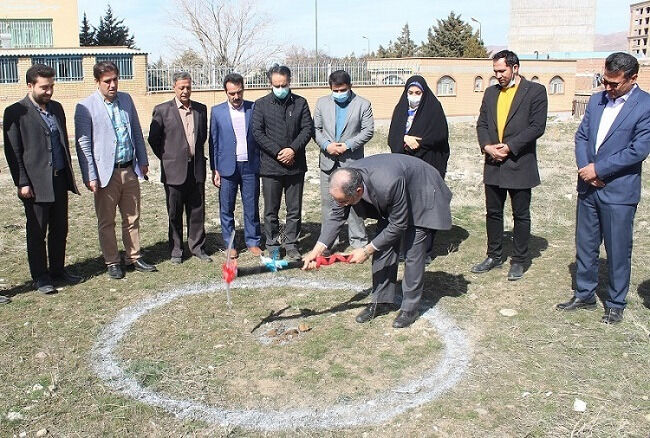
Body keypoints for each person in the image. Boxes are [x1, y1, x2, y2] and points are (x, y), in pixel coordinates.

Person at [302, 154, 452, 329]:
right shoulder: (343, 184)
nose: (339, 204)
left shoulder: (388, 183)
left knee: (413, 250)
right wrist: (317, 250)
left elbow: (398, 224)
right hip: (394, 197)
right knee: (382, 246)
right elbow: (336, 217)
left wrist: (366, 250)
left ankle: (410, 309)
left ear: (358, 191)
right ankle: (381, 302)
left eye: (343, 201)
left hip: (422, 191)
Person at [556, 52, 650, 324]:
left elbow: (638, 150)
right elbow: (582, 136)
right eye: (604, 81)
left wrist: (600, 169)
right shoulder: (597, 101)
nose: (607, 88)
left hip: (618, 191)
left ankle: (615, 302)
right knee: (585, 245)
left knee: (618, 249)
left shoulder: (645, 106)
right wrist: (586, 169)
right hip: (588, 188)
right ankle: (584, 294)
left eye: (613, 83)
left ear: (633, 78)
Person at [3, 63, 81, 296]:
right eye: (44, 87)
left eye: (52, 86)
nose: (49, 91)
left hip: (58, 179)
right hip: (35, 184)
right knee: (37, 232)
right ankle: (40, 276)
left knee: (60, 228)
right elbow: (13, 151)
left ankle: (58, 270)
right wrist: (22, 181)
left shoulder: (56, 108)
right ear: (30, 85)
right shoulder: (16, 112)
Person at [75, 61, 157, 279]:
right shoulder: (86, 107)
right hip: (105, 174)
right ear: (97, 82)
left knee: (132, 217)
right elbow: (83, 144)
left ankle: (134, 256)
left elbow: (137, 131)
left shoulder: (126, 100)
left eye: (115, 80)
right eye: (107, 81)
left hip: (129, 168)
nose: (112, 85)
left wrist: (142, 158)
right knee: (107, 220)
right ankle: (112, 261)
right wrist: (90, 175)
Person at [472, 50, 548, 280]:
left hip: (519, 162)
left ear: (515, 67)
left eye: (502, 70)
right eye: (495, 71)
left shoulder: (535, 91)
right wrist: (487, 146)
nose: (498, 75)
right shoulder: (490, 93)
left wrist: (510, 146)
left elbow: (537, 127)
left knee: (520, 214)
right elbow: (482, 123)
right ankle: (494, 255)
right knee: (493, 213)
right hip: (493, 162)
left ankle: (519, 260)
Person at [252, 65, 313, 261]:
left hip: (295, 165)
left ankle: (292, 244)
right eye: (276, 85)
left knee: (294, 209)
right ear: (270, 84)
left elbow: (307, 129)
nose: (280, 88)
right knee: (271, 209)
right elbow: (258, 133)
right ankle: (273, 243)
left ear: (289, 82)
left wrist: (292, 149)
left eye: (284, 84)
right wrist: (278, 152)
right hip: (271, 166)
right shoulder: (261, 104)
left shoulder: (301, 103)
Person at [148, 72, 210, 264]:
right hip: (174, 171)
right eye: (181, 87)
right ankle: (176, 250)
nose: (185, 91)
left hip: (196, 169)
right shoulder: (162, 110)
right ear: (174, 87)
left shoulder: (201, 109)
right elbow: (153, 139)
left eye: (188, 87)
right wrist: (169, 158)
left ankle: (197, 247)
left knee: (197, 211)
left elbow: (202, 138)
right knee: (174, 212)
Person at [388, 75, 450, 262]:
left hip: (428, 165)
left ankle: (425, 250)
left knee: (426, 207)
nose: (413, 96)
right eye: (410, 93)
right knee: (404, 206)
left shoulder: (434, 109)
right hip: (405, 167)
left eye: (418, 93)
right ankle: (403, 248)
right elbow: (392, 138)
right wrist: (403, 139)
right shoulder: (400, 109)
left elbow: (440, 136)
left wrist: (418, 142)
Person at [313, 69, 373, 253]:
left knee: (354, 202)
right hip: (328, 160)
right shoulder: (322, 103)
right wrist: (326, 145)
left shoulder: (363, 104)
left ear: (350, 86)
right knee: (328, 202)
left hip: (352, 161)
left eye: (342, 90)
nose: (339, 94)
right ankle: (329, 243)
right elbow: (316, 128)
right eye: (335, 90)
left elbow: (368, 130)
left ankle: (358, 241)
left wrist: (347, 145)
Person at [209, 73, 262, 259]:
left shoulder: (253, 108)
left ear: (243, 89)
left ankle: (253, 241)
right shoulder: (216, 112)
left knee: (251, 205)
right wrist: (215, 169)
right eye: (232, 93)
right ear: (226, 92)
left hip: (250, 165)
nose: (236, 97)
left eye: (239, 92)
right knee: (226, 207)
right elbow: (213, 141)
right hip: (226, 167)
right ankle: (230, 243)